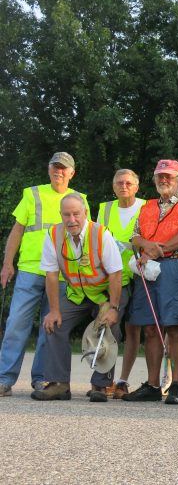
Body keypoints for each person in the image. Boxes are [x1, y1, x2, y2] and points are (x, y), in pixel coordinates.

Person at [0, 152, 88, 396]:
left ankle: (41, 379)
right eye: (55, 167)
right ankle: (4, 379)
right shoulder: (33, 194)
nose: (59, 171)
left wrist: (83, 272)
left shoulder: (80, 199)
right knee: (16, 323)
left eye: (64, 168)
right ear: (49, 170)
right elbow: (17, 231)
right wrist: (8, 263)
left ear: (72, 173)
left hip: (62, 274)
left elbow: (86, 238)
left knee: (49, 327)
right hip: (30, 269)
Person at [123, 159, 178, 405]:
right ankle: (153, 384)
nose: (164, 180)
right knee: (149, 327)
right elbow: (134, 235)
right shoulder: (146, 206)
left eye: (169, 176)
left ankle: (176, 384)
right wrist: (146, 246)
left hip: (177, 266)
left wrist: (157, 250)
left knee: (176, 327)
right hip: (148, 268)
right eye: (160, 176)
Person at [30, 193, 122, 401]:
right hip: (76, 294)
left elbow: (116, 273)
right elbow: (51, 275)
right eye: (66, 215)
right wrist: (53, 310)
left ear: (85, 214)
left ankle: (100, 385)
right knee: (53, 323)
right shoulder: (53, 234)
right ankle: (59, 384)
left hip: (104, 295)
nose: (71, 220)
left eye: (76, 214)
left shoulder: (101, 234)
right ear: (61, 215)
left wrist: (114, 308)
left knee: (110, 326)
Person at [97, 169, 146, 400]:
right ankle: (104, 380)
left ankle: (123, 381)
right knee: (109, 328)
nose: (124, 186)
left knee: (133, 329)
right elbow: (97, 239)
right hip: (114, 278)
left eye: (128, 183)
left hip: (140, 275)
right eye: (119, 182)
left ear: (136, 186)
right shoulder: (105, 209)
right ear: (113, 186)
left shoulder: (146, 206)